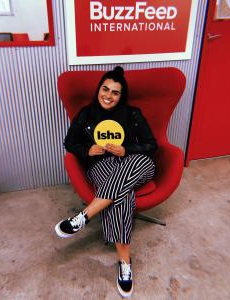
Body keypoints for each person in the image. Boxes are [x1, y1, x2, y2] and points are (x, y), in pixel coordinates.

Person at [55, 66, 157, 298]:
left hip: (136, 163)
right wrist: (87, 150)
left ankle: (84, 216)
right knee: (122, 195)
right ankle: (124, 263)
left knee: (134, 166)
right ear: (99, 89)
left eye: (115, 92)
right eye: (105, 89)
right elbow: (70, 142)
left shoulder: (133, 114)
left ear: (122, 96)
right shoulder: (86, 114)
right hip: (102, 167)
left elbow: (151, 145)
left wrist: (126, 149)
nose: (108, 96)